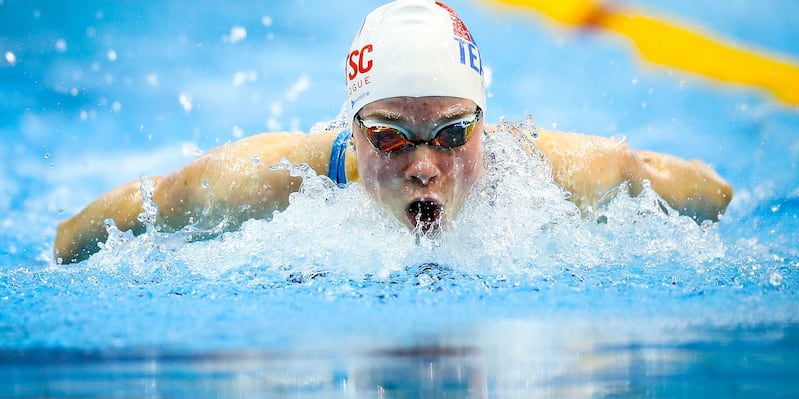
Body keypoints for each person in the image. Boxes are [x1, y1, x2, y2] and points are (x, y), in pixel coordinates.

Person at [54, 0, 732, 264]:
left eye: (450, 134)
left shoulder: (566, 172)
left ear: (482, 126)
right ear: (353, 131)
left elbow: (709, 194)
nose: (424, 166)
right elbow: (76, 238)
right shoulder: (270, 180)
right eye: (391, 137)